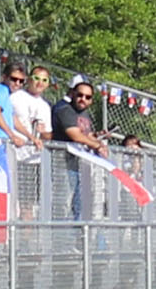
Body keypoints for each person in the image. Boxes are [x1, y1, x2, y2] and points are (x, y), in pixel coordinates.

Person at [51, 79, 109, 219]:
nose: (83, 99)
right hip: (64, 166)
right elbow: (75, 135)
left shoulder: (84, 114)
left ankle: (80, 239)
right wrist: (97, 145)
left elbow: (86, 134)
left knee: (80, 207)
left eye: (88, 97)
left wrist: (98, 139)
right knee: (63, 206)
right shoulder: (65, 110)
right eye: (80, 95)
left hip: (80, 167)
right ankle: (62, 239)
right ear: (72, 94)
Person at [10, 65, 51, 219]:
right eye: (36, 78)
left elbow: (48, 135)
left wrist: (43, 132)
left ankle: (26, 242)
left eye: (44, 80)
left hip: (32, 160)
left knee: (28, 205)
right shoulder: (15, 97)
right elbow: (8, 119)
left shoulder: (45, 106)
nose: (40, 82)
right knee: (11, 203)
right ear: (29, 79)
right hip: (14, 155)